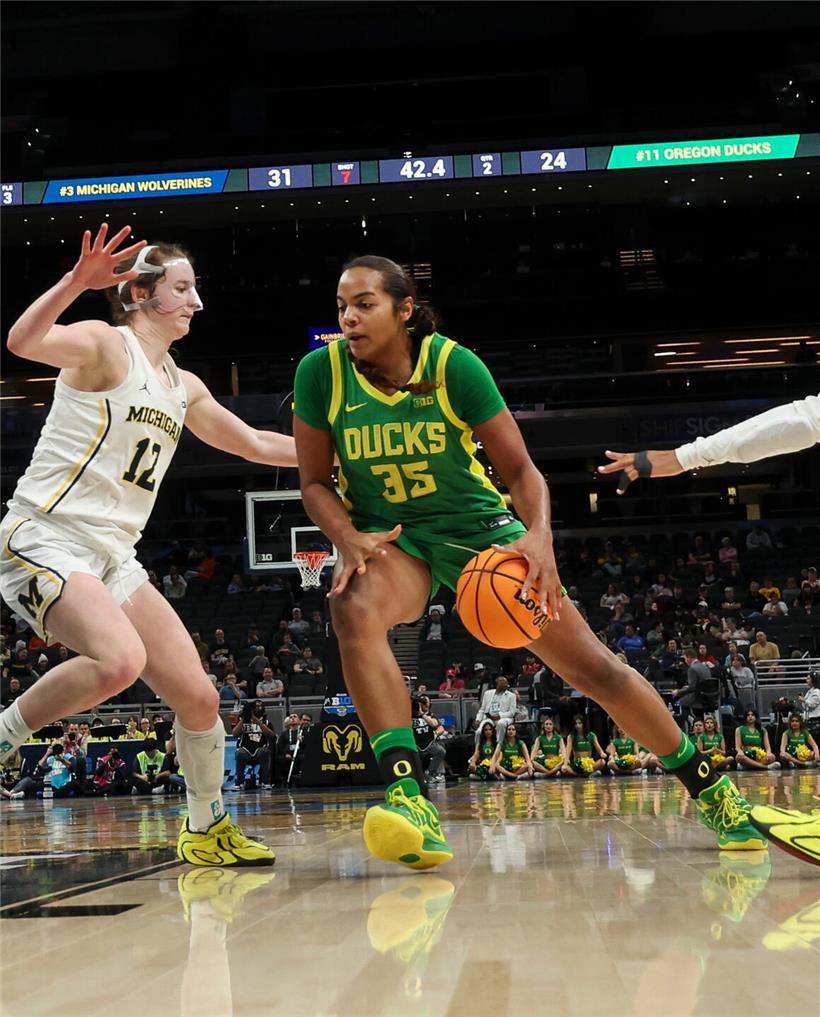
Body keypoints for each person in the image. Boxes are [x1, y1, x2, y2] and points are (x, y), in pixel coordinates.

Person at [293, 254, 765, 870]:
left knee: (595, 670)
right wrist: (345, 537)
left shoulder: (454, 366)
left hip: (478, 533)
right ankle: (409, 798)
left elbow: (520, 471)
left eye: (364, 305)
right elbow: (313, 482)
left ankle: (713, 789)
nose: (349, 318)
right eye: (341, 307)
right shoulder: (320, 373)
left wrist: (539, 537)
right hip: (394, 540)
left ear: (404, 310)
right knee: (351, 605)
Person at [0, 225, 299, 865]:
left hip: (114, 556)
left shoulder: (181, 384)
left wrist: (341, 459)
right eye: (182, 289)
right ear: (141, 294)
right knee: (119, 662)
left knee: (200, 697)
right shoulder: (106, 345)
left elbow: (254, 443)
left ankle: (205, 827)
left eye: (195, 289)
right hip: (45, 534)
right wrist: (76, 282)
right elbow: (22, 341)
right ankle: (3, 735)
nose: (196, 302)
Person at [232, 701, 275, 789]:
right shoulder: (242, 721)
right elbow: (235, 734)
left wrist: (258, 722)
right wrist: (244, 718)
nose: (258, 708)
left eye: (260, 706)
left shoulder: (266, 722)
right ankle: (239, 783)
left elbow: (271, 735)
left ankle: (265, 781)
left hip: (259, 750)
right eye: (256, 706)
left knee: (264, 752)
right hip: (245, 750)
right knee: (240, 753)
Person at [411, 695, 447, 786]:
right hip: (415, 744)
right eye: (423, 702)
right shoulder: (410, 715)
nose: (426, 704)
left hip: (429, 743)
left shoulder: (430, 715)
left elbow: (435, 725)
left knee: (441, 751)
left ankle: (430, 773)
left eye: (427, 702)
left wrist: (422, 715)